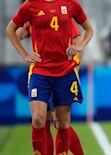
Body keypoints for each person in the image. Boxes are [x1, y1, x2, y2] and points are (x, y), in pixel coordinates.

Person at [6, 0, 94, 154]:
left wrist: (77, 48)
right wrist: (24, 53)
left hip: (65, 70)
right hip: (41, 70)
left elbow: (83, 32)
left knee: (61, 123)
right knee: (39, 119)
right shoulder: (32, 7)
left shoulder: (68, 6)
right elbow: (14, 31)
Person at [16, 21, 84, 155]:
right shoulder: (34, 15)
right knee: (42, 120)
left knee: (60, 122)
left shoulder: (62, 13)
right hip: (41, 74)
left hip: (61, 73)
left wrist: (74, 67)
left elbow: (78, 40)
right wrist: (24, 19)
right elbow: (17, 35)